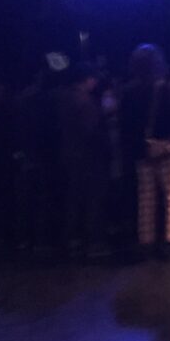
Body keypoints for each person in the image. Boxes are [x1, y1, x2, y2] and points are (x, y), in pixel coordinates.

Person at [120, 44, 170, 259]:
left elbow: (125, 125)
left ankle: (147, 240)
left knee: (146, 197)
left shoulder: (128, 91)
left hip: (142, 149)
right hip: (168, 147)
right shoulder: (169, 88)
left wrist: (140, 146)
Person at [58, 64, 107, 258]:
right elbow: (91, 131)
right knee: (92, 199)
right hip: (88, 157)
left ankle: (72, 240)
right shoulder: (85, 101)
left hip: (69, 155)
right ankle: (93, 243)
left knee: (74, 199)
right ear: (87, 79)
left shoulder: (64, 98)